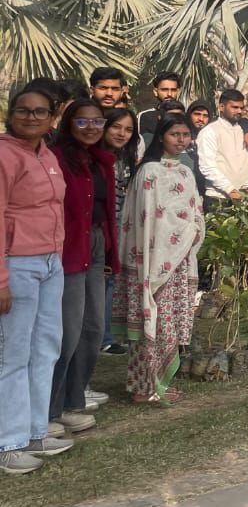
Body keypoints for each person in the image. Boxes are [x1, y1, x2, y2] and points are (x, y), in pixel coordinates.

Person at [0, 85, 73, 475]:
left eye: (40, 112)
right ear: (10, 113)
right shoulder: (4, 154)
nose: (30, 117)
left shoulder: (47, 154)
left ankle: (33, 431)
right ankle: (8, 442)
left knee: (45, 348)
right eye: (23, 110)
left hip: (50, 263)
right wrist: (1, 280)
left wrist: (56, 258)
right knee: (12, 354)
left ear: (51, 118)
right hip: (17, 264)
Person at [113, 116, 206, 405]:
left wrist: (193, 231)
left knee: (169, 321)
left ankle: (157, 384)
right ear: (161, 137)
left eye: (185, 134)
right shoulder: (149, 172)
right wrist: (183, 232)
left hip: (179, 259)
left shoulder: (186, 172)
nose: (181, 139)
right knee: (152, 319)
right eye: (175, 134)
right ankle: (144, 387)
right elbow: (149, 219)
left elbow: (195, 210)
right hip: (153, 259)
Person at [49, 98, 120, 435]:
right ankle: (49, 410)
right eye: (82, 121)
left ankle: (72, 402)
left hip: (95, 248)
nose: (91, 127)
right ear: (69, 124)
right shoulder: (57, 158)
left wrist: (109, 253)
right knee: (67, 332)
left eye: (97, 121)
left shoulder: (101, 161)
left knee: (93, 329)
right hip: (68, 251)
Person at [99, 107, 140, 357]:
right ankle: (102, 337)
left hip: (118, 227)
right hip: (99, 228)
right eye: (116, 127)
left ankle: (107, 336)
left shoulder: (124, 157)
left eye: (128, 129)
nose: (122, 133)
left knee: (111, 280)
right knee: (102, 281)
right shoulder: (95, 156)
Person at [196, 89, 248, 211]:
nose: (239, 111)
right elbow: (207, 166)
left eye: (241, 108)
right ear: (221, 107)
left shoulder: (247, 133)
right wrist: (230, 190)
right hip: (218, 198)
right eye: (235, 107)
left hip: (245, 197)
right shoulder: (209, 132)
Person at [136, 72, 183, 136]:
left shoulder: (186, 117)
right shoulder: (144, 117)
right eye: (164, 90)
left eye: (173, 90)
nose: (169, 94)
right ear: (156, 92)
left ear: (178, 92)